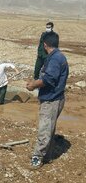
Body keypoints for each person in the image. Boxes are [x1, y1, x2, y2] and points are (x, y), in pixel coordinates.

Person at [26, 32, 68, 169]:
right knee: (49, 128)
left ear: (45, 45)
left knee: (44, 129)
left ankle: (37, 157)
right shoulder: (56, 56)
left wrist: (33, 85)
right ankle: (47, 155)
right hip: (54, 98)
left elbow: (49, 79)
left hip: (51, 100)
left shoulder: (55, 59)